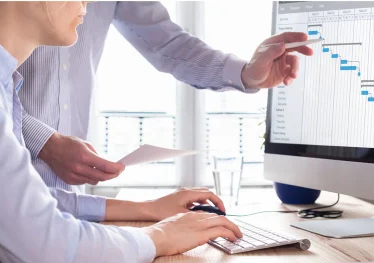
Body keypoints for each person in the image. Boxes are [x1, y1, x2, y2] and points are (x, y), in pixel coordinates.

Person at [0, 2, 247, 263]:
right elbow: (50, 248)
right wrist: (161, 236)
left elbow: (29, 203)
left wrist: (147, 208)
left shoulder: (1, 85)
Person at [18, 1, 314, 223]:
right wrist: (43, 141)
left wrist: (247, 73)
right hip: (7, 182)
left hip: (69, 202)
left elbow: (167, 43)